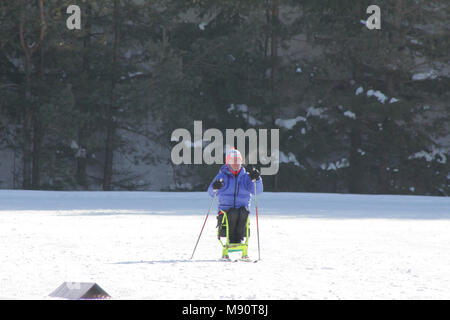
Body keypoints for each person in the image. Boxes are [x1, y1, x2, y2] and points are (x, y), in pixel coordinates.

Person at [207, 148, 263, 258]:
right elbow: (211, 192)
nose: (236, 163)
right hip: (225, 211)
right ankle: (232, 240)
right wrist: (215, 187)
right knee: (232, 213)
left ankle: (239, 240)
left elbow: (258, 190)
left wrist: (257, 179)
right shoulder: (222, 176)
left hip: (242, 209)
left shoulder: (246, 177)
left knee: (243, 212)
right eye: (233, 161)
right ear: (228, 162)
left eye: (238, 160)